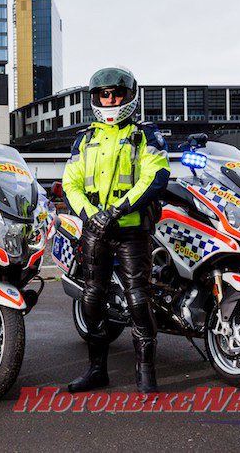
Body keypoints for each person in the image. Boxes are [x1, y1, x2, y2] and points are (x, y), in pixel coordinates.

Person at [62, 66, 171, 393]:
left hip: (132, 229)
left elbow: (156, 177)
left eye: (116, 94)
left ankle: (146, 373)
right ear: (95, 98)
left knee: (139, 299)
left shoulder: (145, 134)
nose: (110, 100)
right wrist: (92, 214)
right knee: (92, 299)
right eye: (104, 95)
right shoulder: (85, 139)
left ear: (129, 96)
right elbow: (71, 182)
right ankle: (97, 370)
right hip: (95, 230)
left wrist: (117, 211)